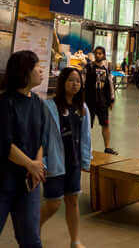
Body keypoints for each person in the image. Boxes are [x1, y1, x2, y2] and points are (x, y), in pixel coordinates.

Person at [0, 50, 50, 248]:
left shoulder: (37, 102)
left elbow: (40, 138)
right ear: (24, 72)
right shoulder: (5, 103)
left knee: (31, 239)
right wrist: (31, 165)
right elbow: (5, 144)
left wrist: (36, 166)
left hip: (28, 184)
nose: (41, 70)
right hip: (4, 181)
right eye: (37, 66)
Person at [40, 67, 91, 248]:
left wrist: (86, 160)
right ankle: (30, 231)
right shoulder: (48, 107)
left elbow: (86, 137)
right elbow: (41, 137)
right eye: (70, 80)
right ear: (62, 83)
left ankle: (75, 240)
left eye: (78, 81)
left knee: (73, 201)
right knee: (53, 203)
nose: (75, 84)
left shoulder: (82, 108)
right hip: (55, 162)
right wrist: (43, 162)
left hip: (74, 163)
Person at [84, 46, 116, 155]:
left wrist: (112, 99)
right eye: (96, 53)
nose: (98, 55)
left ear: (104, 55)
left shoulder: (107, 69)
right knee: (87, 125)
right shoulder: (88, 67)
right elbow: (83, 83)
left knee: (105, 124)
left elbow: (110, 84)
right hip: (89, 102)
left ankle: (107, 148)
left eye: (100, 53)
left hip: (102, 102)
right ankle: (85, 148)